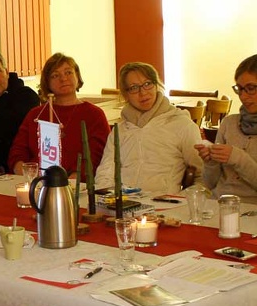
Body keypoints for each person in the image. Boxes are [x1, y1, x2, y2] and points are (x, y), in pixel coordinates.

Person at [95, 63, 203, 193]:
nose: (143, 92)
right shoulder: (120, 130)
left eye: (147, 84)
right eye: (134, 88)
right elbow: (105, 172)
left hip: (164, 200)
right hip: (123, 200)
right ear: (125, 95)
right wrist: (107, 196)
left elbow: (202, 175)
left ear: (156, 85)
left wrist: (181, 199)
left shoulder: (182, 125)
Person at [8, 53, 110, 178]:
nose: (63, 79)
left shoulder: (94, 114)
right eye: (55, 75)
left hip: (77, 183)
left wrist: (70, 182)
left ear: (77, 77)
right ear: (47, 82)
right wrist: (30, 177)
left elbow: (97, 157)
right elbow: (18, 153)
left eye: (68, 72)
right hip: (38, 182)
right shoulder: (35, 115)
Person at [195, 54, 257, 200]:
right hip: (219, 203)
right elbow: (210, 184)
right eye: (240, 89)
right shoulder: (229, 123)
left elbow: (238, 159)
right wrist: (211, 161)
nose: (243, 96)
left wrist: (238, 158)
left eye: (251, 88)